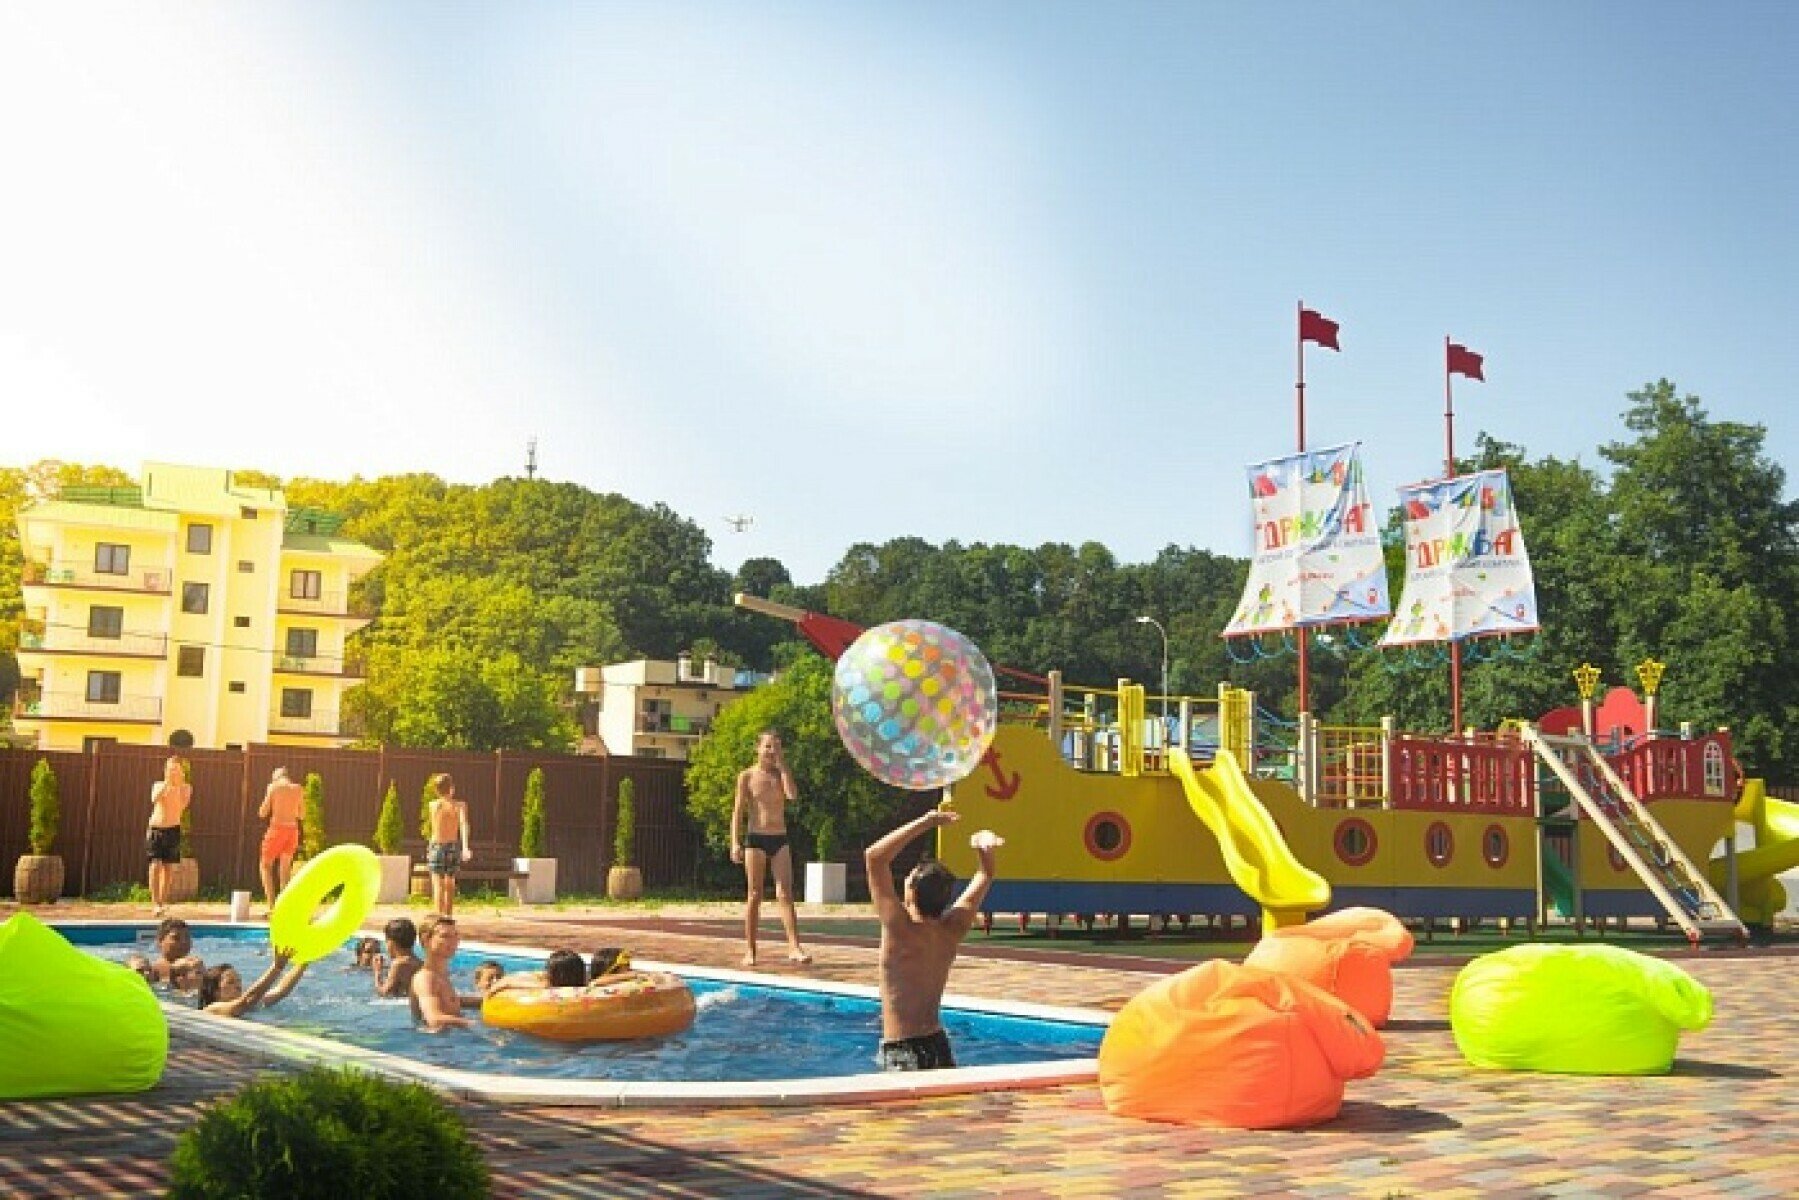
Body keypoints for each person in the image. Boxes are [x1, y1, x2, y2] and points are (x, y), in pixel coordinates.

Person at [865, 807, 1001, 1071]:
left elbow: (874, 857)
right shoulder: (952, 930)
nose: (905, 879)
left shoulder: (899, 929)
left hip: (902, 1048)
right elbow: (985, 874)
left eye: (909, 877)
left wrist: (926, 822)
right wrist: (983, 849)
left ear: (912, 891)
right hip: (938, 1044)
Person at [729, 731, 811, 967]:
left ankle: (794, 947)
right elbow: (738, 812)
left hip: (779, 839)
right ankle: (751, 949)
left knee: (785, 893)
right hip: (756, 839)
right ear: (758, 749)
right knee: (755, 894)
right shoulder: (747, 776)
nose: (771, 751)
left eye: (775, 747)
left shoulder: (780, 775)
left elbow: (792, 795)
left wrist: (783, 767)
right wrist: (734, 842)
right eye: (767, 746)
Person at [145, 756, 193, 916]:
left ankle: (162, 902)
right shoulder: (159, 785)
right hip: (156, 828)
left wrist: (177, 786)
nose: (173, 772)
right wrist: (167, 784)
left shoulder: (186, 788)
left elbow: (181, 807)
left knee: (168, 868)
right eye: (170, 769)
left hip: (173, 829)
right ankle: (155, 902)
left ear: (181, 771)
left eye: (176, 769)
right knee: (155, 865)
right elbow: (154, 799)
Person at [198, 949, 308, 1018]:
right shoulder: (212, 1009)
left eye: (239, 980)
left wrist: (304, 961)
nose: (238, 985)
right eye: (230, 982)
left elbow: (281, 991)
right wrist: (277, 967)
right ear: (215, 991)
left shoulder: (249, 1005)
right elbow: (247, 1000)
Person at [410, 913, 473, 1032]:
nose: (454, 941)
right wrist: (477, 1025)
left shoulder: (440, 975)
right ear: (426, 940)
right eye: (445, 936)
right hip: (435, 1042)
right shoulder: (425, 978)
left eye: (456, 935)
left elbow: (449, 1001)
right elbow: (434, 1019)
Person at [257, 766, 305, 914]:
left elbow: (262, 812)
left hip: (277, 829)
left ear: (276, 777)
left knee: (265, 866)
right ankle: (285, 908)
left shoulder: (273, 787)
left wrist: (269, 794)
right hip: (292, 830)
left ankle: (272, 907)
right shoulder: (298, 789)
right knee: (285, 869)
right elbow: (302, 815)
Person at [423, 773, 472, 917]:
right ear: (452, 788)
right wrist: (465, 847)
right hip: (452, 846)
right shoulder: (460, 806)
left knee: (437, 885)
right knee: (450, 883)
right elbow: (463, 824)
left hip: (436, 846)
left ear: (437, 790)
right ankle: (448, 916)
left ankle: (439, 916)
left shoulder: (433, 805)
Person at [372, 918, 423, 999]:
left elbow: (385, 993)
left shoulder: (398, 963)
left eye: (386, 941)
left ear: (392, 942)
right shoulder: (420, 963)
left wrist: (377, 972)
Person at [148, 917, 204, 991]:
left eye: (187, 937)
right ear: (160, 941)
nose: (183, 942)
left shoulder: (197, 968)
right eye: (176, 938)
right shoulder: (152, 972)